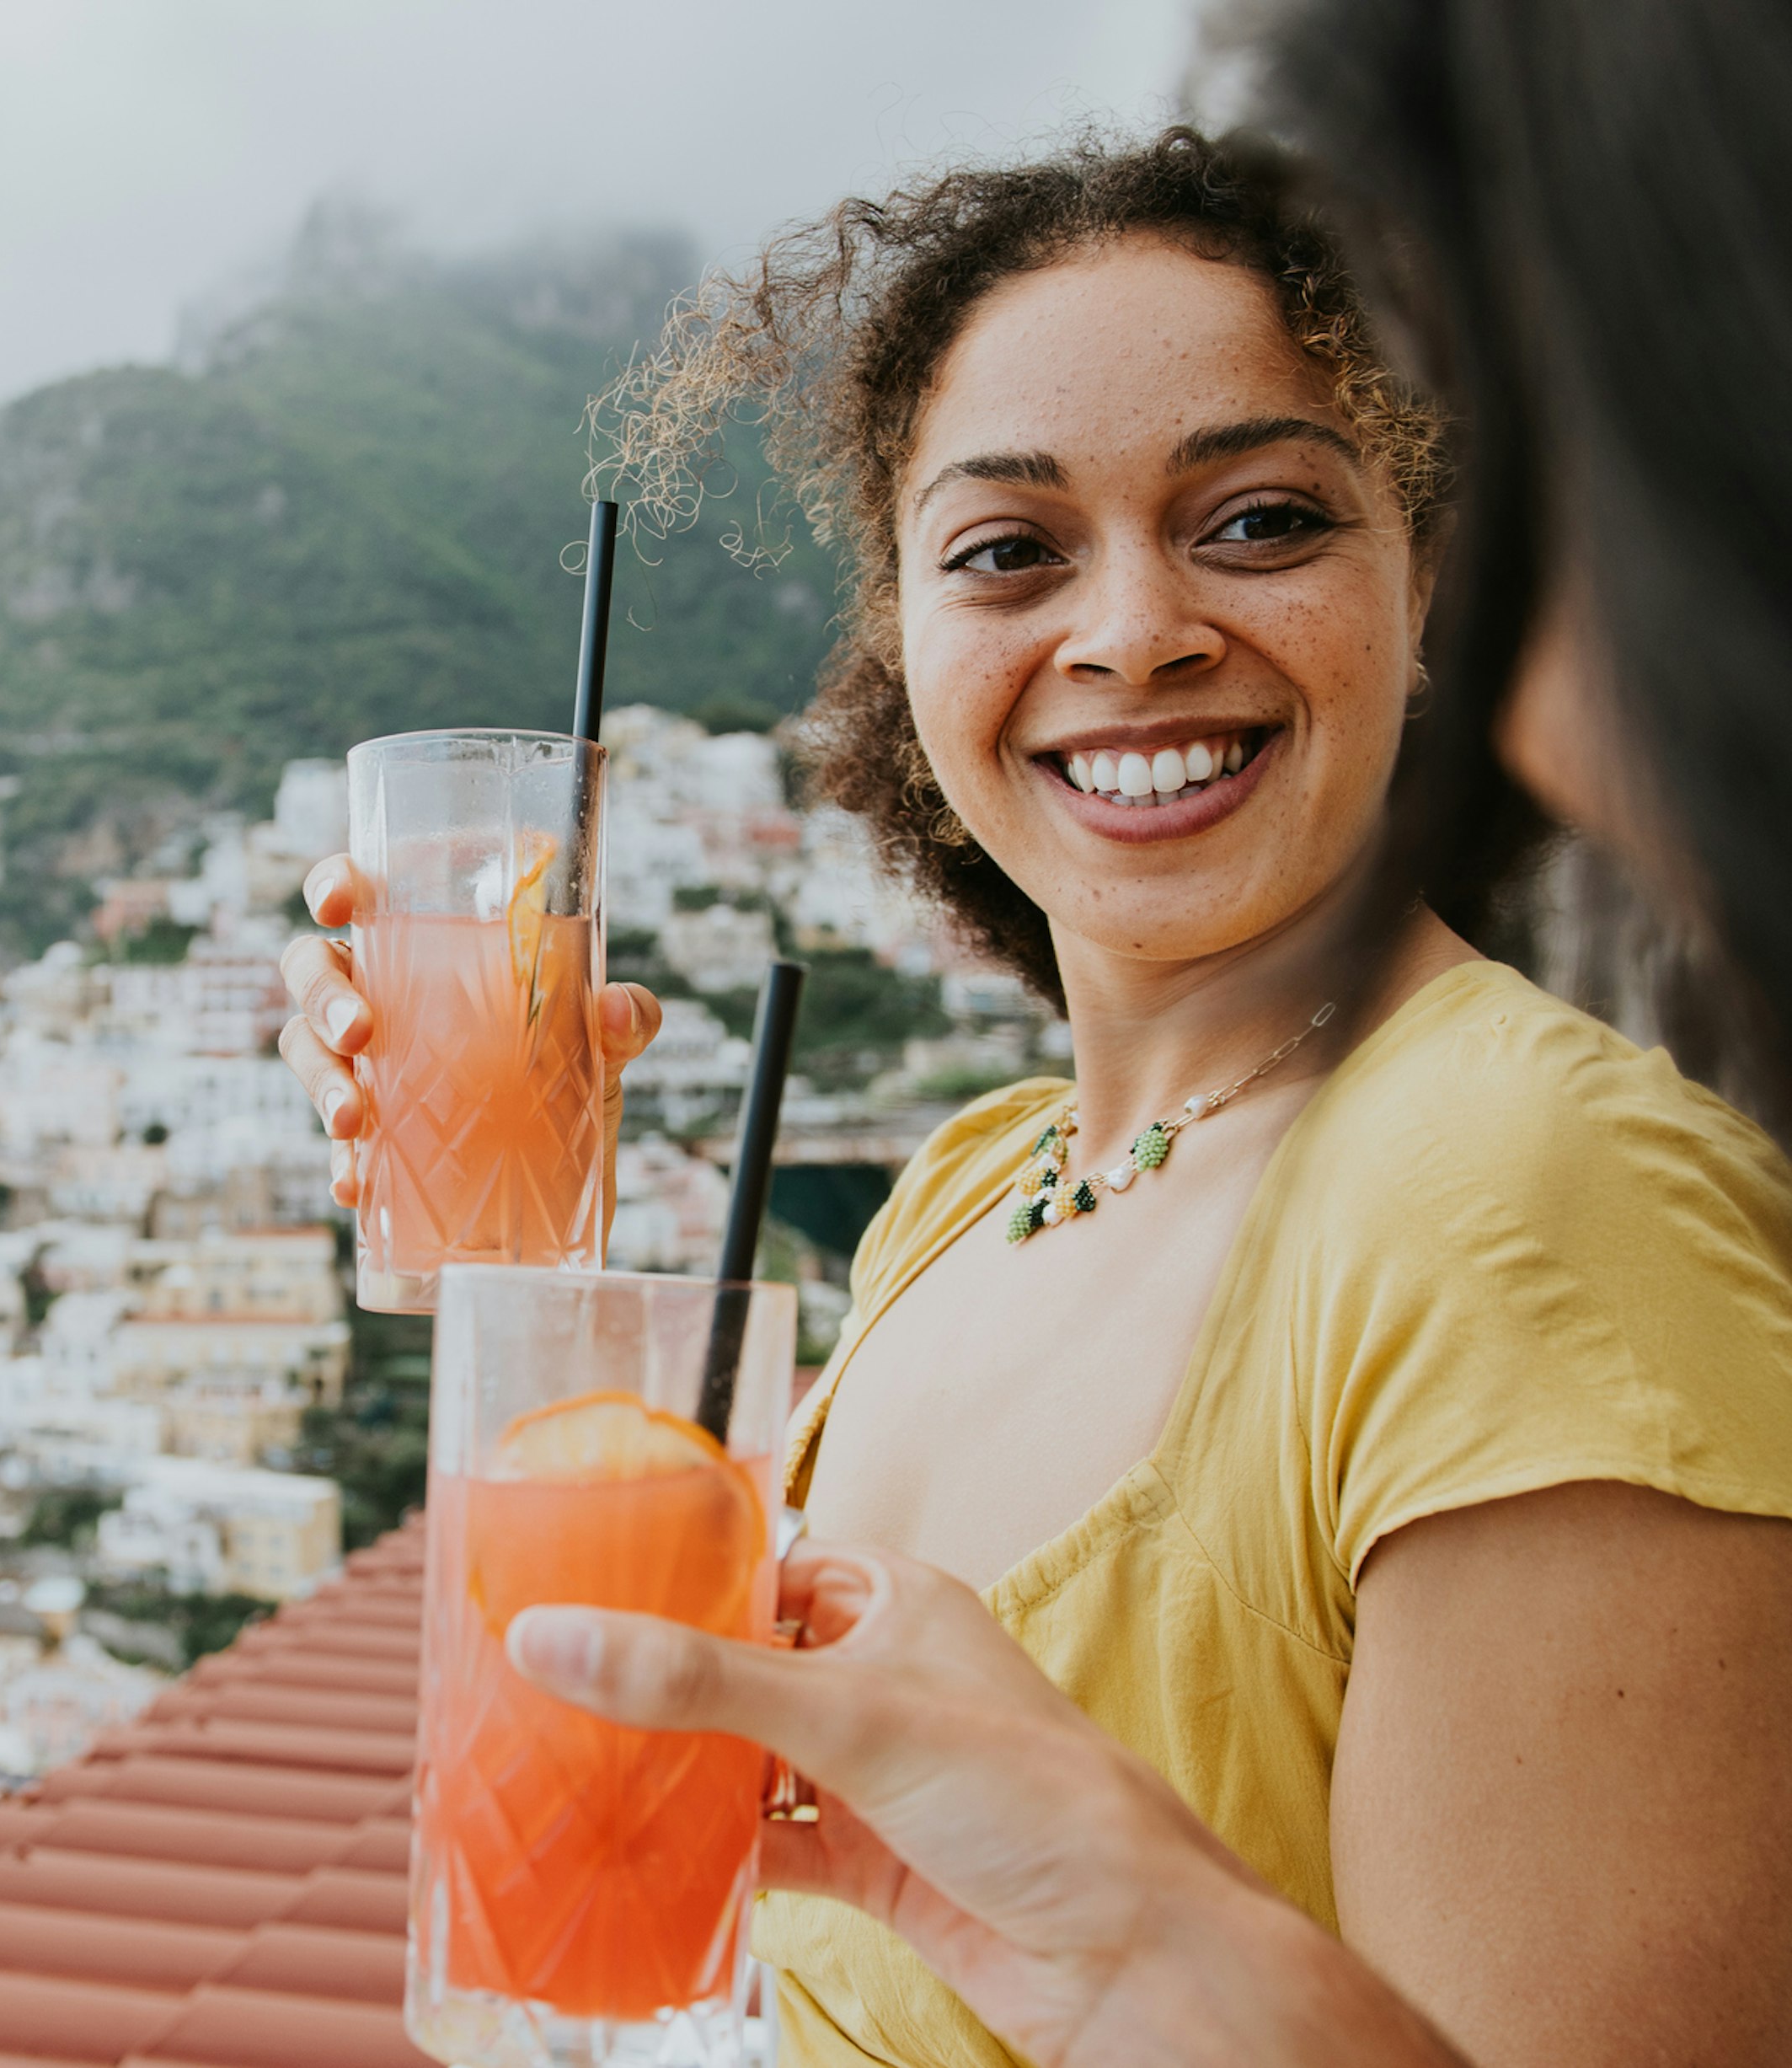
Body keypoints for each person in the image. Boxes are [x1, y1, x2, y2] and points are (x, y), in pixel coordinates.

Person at [281, 118, 1792, 2067]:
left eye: (1262, 519)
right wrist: (502, 1234)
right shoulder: (979, 1183)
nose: (1133, 630)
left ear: (1434, 590)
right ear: (905, 642)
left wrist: (1158, 1937)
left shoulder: (1537, 1193)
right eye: (1007, 551)